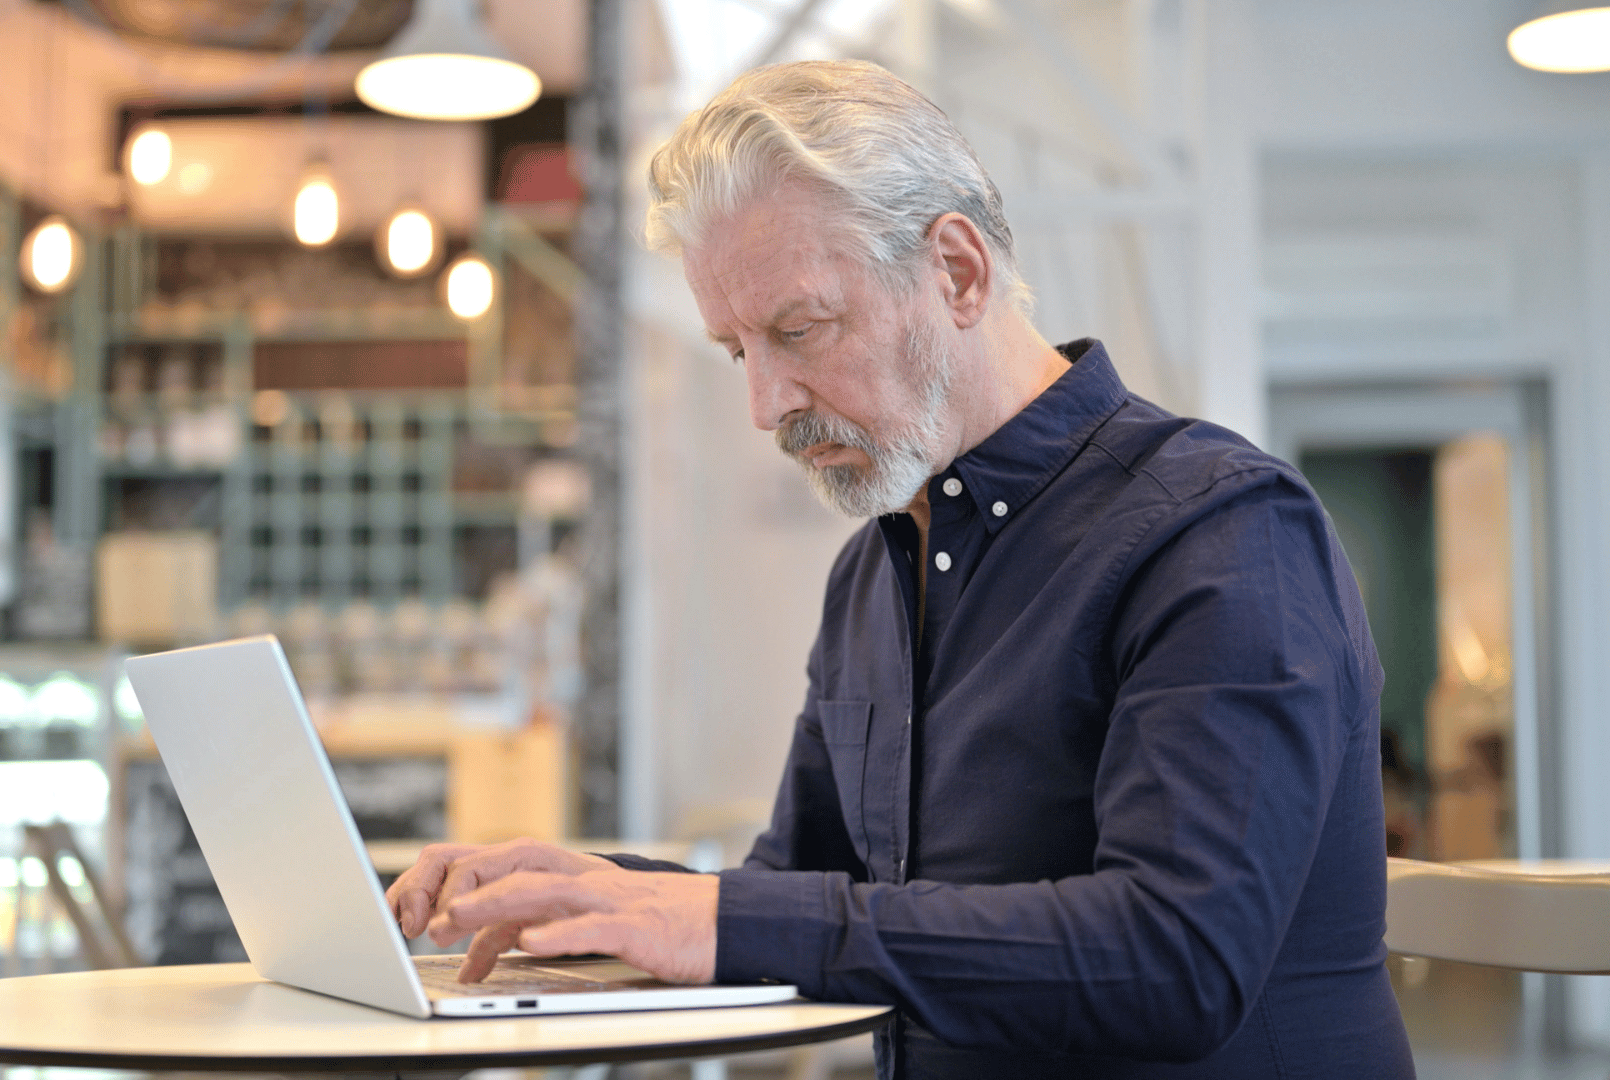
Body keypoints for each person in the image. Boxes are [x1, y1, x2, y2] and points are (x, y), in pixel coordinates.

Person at [387, 60, 1413, 1078]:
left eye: (798, 330)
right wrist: (590, 897)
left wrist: (716, 915)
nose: (767, 404)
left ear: (957, 273)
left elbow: (1177, 961)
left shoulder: (1223, 533)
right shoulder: (874, 574)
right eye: (738, 350)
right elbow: (803, 891)